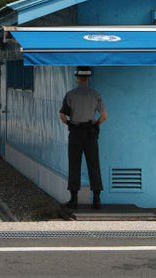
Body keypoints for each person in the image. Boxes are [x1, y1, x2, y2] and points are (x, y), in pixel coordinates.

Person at [59, 66, 107, 210]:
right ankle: (97, 199)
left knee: (74, 164)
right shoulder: (96, 95)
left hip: (75, 133)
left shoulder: (70, 95)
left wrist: (70, 124)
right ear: (89, 78)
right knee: (94, 164)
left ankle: (74, 199)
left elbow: (62, 115)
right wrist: (95, 125)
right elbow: (104, 116)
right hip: (90, 133)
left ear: (77, 77)